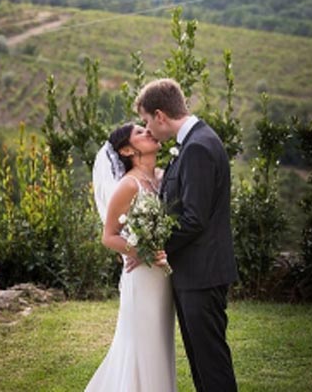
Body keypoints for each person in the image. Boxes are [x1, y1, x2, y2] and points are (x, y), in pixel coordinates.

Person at [133, 78, 238, 392]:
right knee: (200, 362)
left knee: (211, 363)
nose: (148, 129)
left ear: (161, 115)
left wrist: (151, 244)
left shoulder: (198, 148)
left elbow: (193, 219)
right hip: (194, 273)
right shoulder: (192, 143)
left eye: (148, 121)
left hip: (202, 274)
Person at [85, 122, 177, 392]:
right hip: (142, 276)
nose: (148, 131)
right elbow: (109, 235)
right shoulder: (128, 185)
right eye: (139, 132)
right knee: (142, 344)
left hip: (163, 276)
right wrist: (142, 250)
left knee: (161, 343)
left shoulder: (163, 176)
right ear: (126, 150)